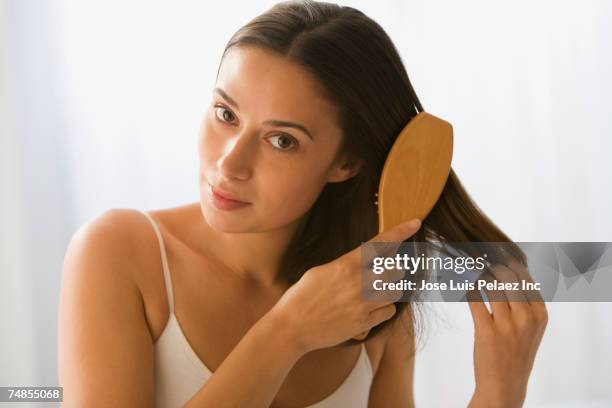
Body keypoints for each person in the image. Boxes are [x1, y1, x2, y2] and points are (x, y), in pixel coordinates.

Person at [58, 1, 548, 407]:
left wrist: (499, 391)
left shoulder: (372, 298)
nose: (230, 164)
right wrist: (288, 331)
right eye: (225, 113)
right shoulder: (118, 253)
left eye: (282, 141)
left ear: (347, 161)